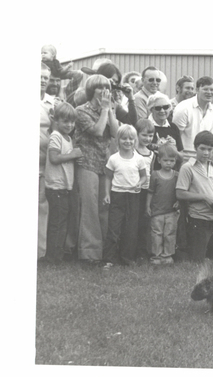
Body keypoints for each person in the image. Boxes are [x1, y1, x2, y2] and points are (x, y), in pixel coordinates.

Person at [73, 74, 120, 263]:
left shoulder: (108, 109)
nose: (104, 91)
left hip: (103, 163)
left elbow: (116, 133)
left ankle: (103, 252)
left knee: (103, 207)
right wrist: (104, 111)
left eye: (106, 87)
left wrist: (109, 112)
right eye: (100, 88)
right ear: (91, 90)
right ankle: (89, 253)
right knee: (89, 208)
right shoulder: (80, 111)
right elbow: (98, 131)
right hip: (86, 163)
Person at [176, 131, 213, 263]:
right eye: (202, 149)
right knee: (196, 261)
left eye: (210, 149)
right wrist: (205, 198)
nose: (206, 153)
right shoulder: (187, 168)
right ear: (195, 148)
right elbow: (180, 193)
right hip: (198, 220)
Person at [42, 102, 83, 263]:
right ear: (56, 121)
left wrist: (75, 158)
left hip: (65, 187)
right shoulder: (56, 136)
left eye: (72, 122)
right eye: (65, 121)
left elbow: (66, 158)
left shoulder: (68, 138)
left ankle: (58, 254)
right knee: (57, 223)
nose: (70, 125)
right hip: (55, 187)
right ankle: (52, 257)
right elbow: (53, 158)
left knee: (62, 221)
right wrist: (73, 155)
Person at [102, 125, 147, 267]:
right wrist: (107, 194)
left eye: (131, 139)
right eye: (124, 138)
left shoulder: (139, 159)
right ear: (118, 140)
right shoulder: (113, 159)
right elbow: (108, 178)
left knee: (131, 228)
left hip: (133, 196)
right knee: (114, 227)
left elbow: (144, 177)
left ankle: (127, 258)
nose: (127, 141)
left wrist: (139, 183)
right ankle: (109, 259)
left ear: (135, 141)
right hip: (117, 195)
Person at [146, 144, 180, 265]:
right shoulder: (155, 175)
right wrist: (147, 206)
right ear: (159, 160)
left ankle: (167, 256)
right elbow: (150, 192)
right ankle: (156, 256)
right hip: (157, 211)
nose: (168, 163)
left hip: (171, 212)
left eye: (172, 161)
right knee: (156, 234)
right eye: (165, 160)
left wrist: (178, 202)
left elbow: (179, 192)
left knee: (169, 234)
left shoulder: (176, 176)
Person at [172, 76, 213, 161]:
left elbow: (209, 140)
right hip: (184, 158)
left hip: (203, 158)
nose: (209, 92)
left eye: (212, 90)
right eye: (205, 89)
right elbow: (175, 138)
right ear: (197, 90)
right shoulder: (183, 108)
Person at [39, 63, 55, 260]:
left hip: (45, 161)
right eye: (39, 76)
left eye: (45, 77)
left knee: (42, 204)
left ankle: (39, 252)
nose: (43, 80)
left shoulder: (52, 103)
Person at [134, 119, 156, 259]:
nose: (148, 139)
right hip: (133, 189)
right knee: (132, 220)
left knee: (143, 221)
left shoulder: (152, 153)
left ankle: (142, 252)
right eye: (144, 135)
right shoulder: (133, 151)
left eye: (150, 136)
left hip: (145, 190)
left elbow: (151, 172)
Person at [147, 93, 184, 170]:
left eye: (165, 107)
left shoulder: (173, 127)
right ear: (151, 109)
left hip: (172, 174)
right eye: (158, 108)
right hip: (151, 173)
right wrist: (158, 147)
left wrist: (172, 148)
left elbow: (181, 158)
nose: (162, 110)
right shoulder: (145, 126)